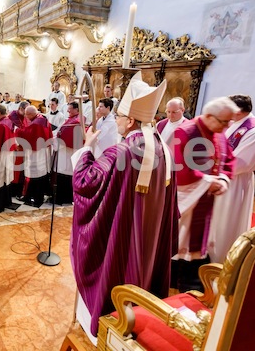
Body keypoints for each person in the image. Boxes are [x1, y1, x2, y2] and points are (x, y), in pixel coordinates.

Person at [70, 72, 178, 337]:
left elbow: (86, 182)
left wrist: (86, 148)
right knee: (139, 267)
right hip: (147, 238)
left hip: (120, 237)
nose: (116, 119)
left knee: (115, 270)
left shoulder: (124, 151)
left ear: (130, 120)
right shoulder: (161, 147)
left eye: (118, 115)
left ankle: (106, 324)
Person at [172, 96, 237, 291]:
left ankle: (192, 275)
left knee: (201, 235)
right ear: (209, 116)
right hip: (187, 197)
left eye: (228, 122)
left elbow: (229, 160)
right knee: (182, 236)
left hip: (206, 197)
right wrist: (208, 182)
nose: (226, 127)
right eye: (223, 122)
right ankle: (176, 277)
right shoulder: (186, 132)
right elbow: (180, 168)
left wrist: (224, 179)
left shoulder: (219, 133)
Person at [208, 94, 255, 263]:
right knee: (215, 219)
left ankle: (218, 259)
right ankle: (207, 253)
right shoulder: (235, 124)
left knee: (226, 221)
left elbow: (240, 163)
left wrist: (212, 160)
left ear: (237, 112)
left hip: (235, 182)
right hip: (221, 176)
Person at [15, 106, 52, 207]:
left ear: (31, 114)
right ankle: (36, 197)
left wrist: (18, 130)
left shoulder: (36, 123)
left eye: (26, 115)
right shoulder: (42, 118)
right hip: (42, 151)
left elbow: (27, 135)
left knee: (35, 176)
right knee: (40, 175)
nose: (26, 117)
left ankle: (36, 198)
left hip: (36, 153)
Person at [53, 102, 83, 204]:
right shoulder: (74, 119)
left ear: (77, 110)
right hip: (65, 152)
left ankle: (62, 198)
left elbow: (67, 136)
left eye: (69, 109)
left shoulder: (76, 122)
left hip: (67, 153)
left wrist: (55, 141)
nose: (67, 111)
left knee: (65, 175)